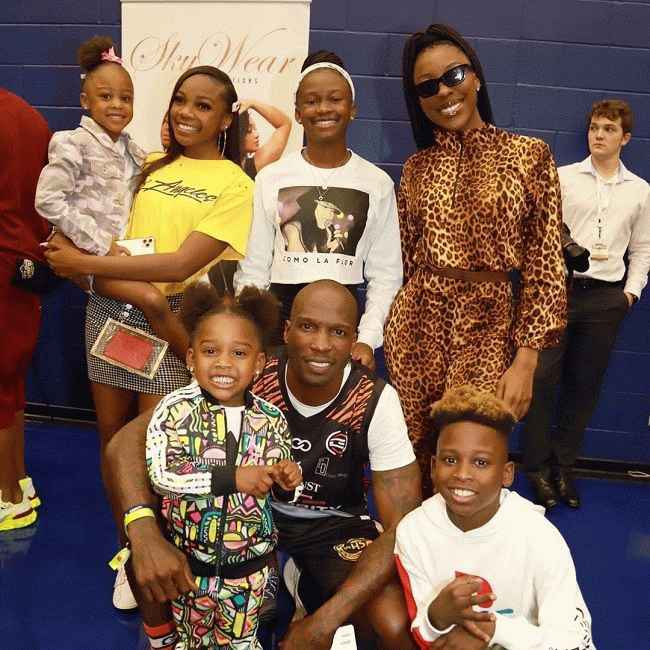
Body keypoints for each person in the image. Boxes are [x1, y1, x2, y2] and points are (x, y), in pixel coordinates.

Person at [44, 65, 254, 625]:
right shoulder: (149, 165)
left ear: (225, 119)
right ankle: (130, 552)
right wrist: (83, 260)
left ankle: (162, 551)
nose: (187, 112)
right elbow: (98, 226)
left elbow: (182, 264)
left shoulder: (236, 183)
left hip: (170, 319)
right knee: (113, 442)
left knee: (153, 448)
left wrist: (85, 265)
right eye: (181, 100)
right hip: (113, 310)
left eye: (204, 105)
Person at [105, 280, 422, 649]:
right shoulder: (246, 367)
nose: (321, 344)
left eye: (337, 332)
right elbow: (123, 445)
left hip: (329, 526)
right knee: (150, 534)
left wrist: (324, 622)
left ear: (354, 340)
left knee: (390, 621)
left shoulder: (374, 399)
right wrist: (143, 531)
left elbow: (402, 523)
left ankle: (299, 582)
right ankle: (163, 634)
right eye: (308, 326)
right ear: (286, 331)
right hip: (237, 517)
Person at [384, 24, 566, 496]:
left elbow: (545, 265)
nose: (444, 92)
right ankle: (414, 543)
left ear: (476, 76)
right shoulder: (416, 169)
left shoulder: (529, 156)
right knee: (416, 454)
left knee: (468, 453)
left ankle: (467, 544)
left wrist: (526, 360)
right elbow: (404, 259)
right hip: (417, 325)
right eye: (428, 86)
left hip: (488, 324)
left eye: (453, 76)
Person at [144, 282, 301, 648]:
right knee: (191, 641)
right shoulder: (174, 410)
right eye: (210, 351)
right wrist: (233, 477)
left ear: (259, 363)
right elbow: (163, 476)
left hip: (249, 571)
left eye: (239, 353)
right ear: (191, 357)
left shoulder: (271, 418)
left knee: (241, 642)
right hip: (190, 568)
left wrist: (288, 481)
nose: (224, 363)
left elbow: (279, 487)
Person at [234, 51, 403, 371]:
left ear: (352, 109)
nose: (323, 108)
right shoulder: (272, 177)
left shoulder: (377, 183)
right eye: (311, 101)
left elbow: (386, 275)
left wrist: (367, 338)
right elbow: (254, 267)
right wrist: (252, 331)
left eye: (335, 99)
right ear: (298, 113)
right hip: (277, 328)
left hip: (342, 330)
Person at [395, 386, 595, 649]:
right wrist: (436, 617)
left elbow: (575, 642)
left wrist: (494, 630)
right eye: (450, 459)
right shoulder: (414, 531)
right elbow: (423, 634)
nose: (462, 474)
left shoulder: (539, 536)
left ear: (506, 473)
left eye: (481, 462)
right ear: (433, 467)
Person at [522, 99, 650, 510]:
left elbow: (643, 249)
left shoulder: (640, 191)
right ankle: (536, 470)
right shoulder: (562, 178)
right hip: (557, 293)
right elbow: (539, 231)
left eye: (609, 129)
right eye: (595, 127)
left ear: (625, 138)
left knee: (583, 388)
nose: (599, 135)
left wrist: (629, 293)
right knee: (542, 383)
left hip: (605, 299)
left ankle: (563, 468)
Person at [34, 36, 188, 359]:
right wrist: (101, 244)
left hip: (125, 257)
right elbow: (48, 199)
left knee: (152, 307)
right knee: (152, 300)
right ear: (85, 101)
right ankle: (193, 362)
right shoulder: (71, 143)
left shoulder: (134, 151)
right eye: (106, 96)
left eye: (125, 98)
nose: (117, 105)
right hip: (87, 258)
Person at [0, 89, 50, 531]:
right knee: (9, 382)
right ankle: (15, 483)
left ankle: (8, 497)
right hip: (21, 260)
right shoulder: (26, 113)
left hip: (5, 260)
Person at [238, 99, 292, 180]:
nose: (257, 135)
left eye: (255, 129)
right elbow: (285, 124)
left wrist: (252, 103)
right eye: (249, 131)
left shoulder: (254, 165)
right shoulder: (220, 163)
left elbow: (285, 124)